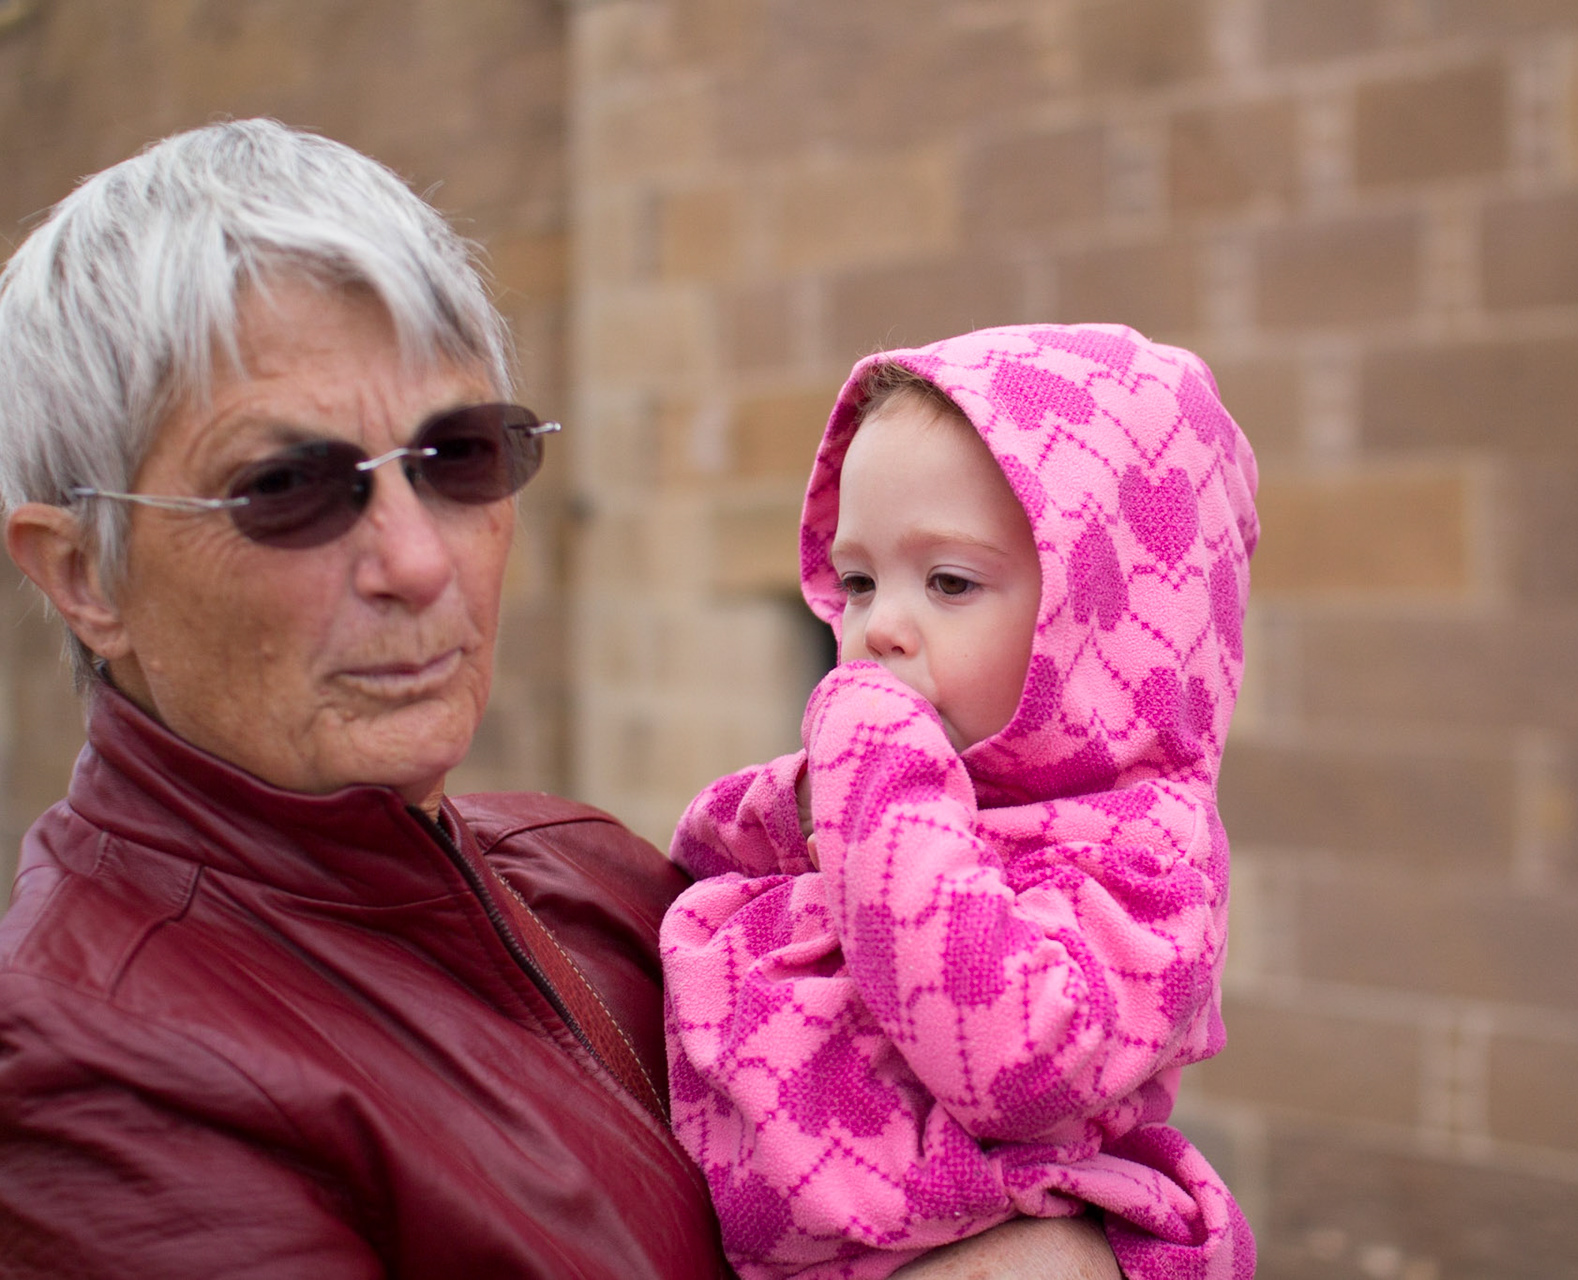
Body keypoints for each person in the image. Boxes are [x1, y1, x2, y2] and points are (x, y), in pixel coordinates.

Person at [0, 120, 1117, 1280]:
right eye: (286, 486)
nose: (419, 561)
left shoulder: (595, 872)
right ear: (84, 575)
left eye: (458, 456)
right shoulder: (90, 1052)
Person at [663, 325, 1262, 1279]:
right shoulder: (894, 783)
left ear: (1098, 610)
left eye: (949, 582)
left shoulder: (1146, 856)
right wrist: (809, 796)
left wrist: (872, 770)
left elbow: (1015, 1061)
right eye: (859, 582)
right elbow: (697, 854)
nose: (879, 628)